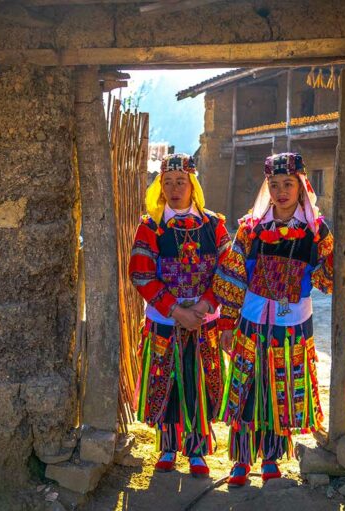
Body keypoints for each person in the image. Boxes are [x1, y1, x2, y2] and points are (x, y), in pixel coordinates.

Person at [213, 152, 334, 486]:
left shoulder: (315, 232)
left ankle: (270, 458)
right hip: (251, 323)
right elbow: (234, 278)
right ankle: (240, 460)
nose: (281, 191)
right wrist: (226, 324)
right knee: (246, 387)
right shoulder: (251, 229)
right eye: (275, 184)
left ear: (301, 186)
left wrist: (336, 255)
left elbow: (326, 282)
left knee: (278, 391)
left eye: (288, 184)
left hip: (291, 326)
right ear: (267, 187)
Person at [129, 153, 231, 478]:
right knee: (167, 381)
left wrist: (201, 307)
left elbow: (227, 270)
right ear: (160, 186)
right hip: (165, 321)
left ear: (192, 184)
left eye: (181, 182)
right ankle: (168, 446)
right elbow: (141, 273)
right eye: (168, 182)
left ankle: (198, 449)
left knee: (198, 381)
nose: (174, 189)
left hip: (204, 322)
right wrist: (175, 311)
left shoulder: (214, 225)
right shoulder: (151, 227)